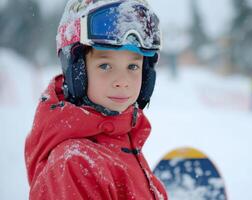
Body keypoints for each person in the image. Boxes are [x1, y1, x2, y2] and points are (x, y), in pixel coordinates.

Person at [24, 0, 167, 199]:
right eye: (105, 66)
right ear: (77, 72)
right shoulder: (74, 163)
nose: (122, 82)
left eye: (133, 67)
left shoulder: (121, 138)